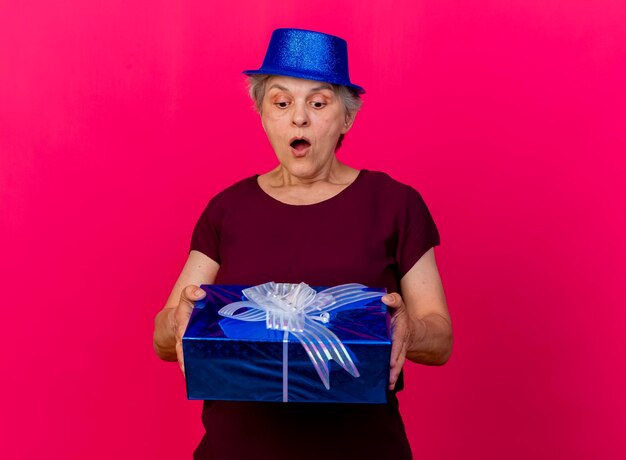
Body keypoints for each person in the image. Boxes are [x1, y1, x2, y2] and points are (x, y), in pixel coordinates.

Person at [153, 28, 453, 459]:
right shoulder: (227, 208)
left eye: (318, 103)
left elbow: (440, 340)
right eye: (281, 102)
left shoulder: (395, 204)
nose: (299, 118)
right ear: (262, 114)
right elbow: (164, 337)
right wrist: (179, 320)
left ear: (346, 117)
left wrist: (407, 330)